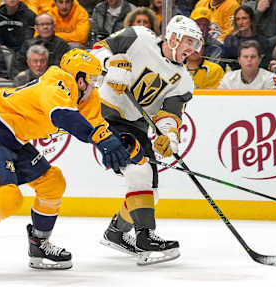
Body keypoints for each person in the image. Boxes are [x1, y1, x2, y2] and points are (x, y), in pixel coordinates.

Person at [0, 48, 130, 279]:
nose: (95, 85)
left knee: (53, 182)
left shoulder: (87, 97)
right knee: (8, 197)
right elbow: (62, 115)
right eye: (93, 79)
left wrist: (121, 144)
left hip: (14, 139)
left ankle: (39, 245)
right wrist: (99, 140)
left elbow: (98, 125)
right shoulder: (59, 81)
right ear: (80, 78)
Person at [90, 15, 203, 265]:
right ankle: (145, 237)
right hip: (105, 114)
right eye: (188, 41)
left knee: (149, 191)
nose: (191, 49)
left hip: (135, 125)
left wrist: (168, 137)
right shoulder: (138, 37)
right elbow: (96, 51)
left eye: (195, 44)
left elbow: (169, 115)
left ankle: (116, 233)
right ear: (172, 37)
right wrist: (111, 64)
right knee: (139, 172)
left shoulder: (184, 80)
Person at [221, 6, 271, 70]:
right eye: (238, 19)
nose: (241, 22)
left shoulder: (262, 41)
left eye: (244, 18)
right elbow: (223, 62)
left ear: (251, 20)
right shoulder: (230, 40)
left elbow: (265, 64)